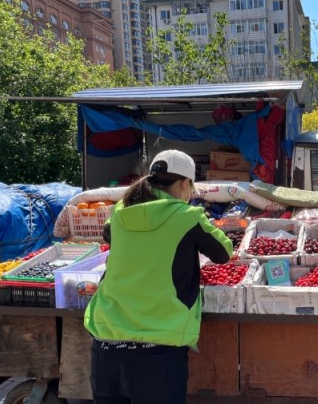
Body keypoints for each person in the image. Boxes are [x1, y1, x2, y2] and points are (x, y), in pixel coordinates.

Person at [84, 149, 233, 404]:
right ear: (186, 184)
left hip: (107, 345)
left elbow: (110, 236)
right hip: (158, 349)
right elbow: (223, 252)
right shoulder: (187, 216)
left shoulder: (119, 213)